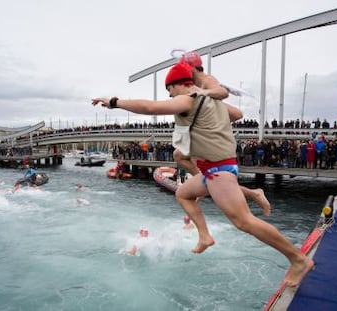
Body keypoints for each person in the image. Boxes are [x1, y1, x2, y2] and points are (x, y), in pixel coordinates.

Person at [91, 62, 313, 287]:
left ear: (179, 84)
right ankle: (206, 235)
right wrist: (211, 119)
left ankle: (297, 259)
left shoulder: (188, 99)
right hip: (211, 169)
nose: (169, 95)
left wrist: (114, 102)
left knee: (244, 221)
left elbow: (150, 108)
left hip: (219, 170)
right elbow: (236, 113)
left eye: (170, 90)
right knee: (184, 193)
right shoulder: (211, 101)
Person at [177, 51, 271, 216]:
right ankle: (251, 192)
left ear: (191, 68)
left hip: (218, 120)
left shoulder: (206, 79)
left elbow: (222, 93)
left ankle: (251, 192)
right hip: (212, 123)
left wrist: (202, 92)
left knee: (183, 157)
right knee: (182, 157)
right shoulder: (195, 83)